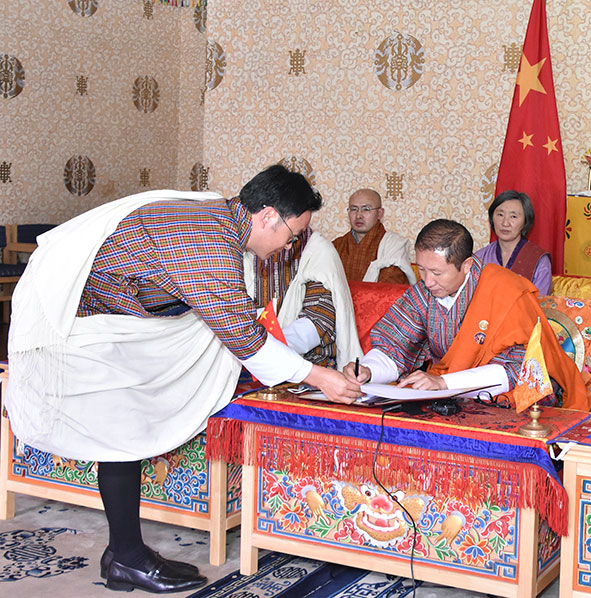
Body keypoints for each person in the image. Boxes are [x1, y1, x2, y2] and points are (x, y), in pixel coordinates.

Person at [6, 165, 363, 593]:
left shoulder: (218, 220)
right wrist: (320, 377)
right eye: (292, 234)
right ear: (268, 215)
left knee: (122, 432)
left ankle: (123, 553)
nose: (290, 245)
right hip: (78, 323)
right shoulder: (210, 240)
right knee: (120, 434)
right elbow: (242, 335)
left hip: (110, 318)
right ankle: (127, 558)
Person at [348, 219, 589, 410]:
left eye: (437, 273)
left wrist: (444, 383)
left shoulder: (506, 291)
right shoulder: (424, 293)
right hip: (446, 397)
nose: (427, 281)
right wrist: (368, 371)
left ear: (467, 266)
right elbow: (395, 345)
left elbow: (524, 368)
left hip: (511, 400)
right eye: (421, 270)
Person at [247, 226, 362, 368]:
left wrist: (267, 347)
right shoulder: (250, 248)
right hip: (252, 353)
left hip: (310, 363)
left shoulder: (317, 251)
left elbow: (318, 321)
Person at [474, 190, 553, 296]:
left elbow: (540, 302)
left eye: (513, 216)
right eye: (500, 215)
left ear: (525, 221)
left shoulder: (539, 261)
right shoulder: (479, 258)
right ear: (492, 218)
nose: (505, 223)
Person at [333, 188, 415, 284]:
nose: (358, 216)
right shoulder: (337, 245)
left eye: (366, 209)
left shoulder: (394, 245)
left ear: (380, 213)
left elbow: (389, 287)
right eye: (354, 209)